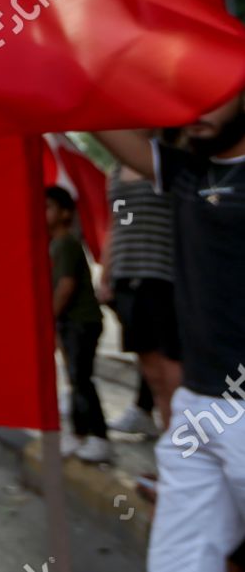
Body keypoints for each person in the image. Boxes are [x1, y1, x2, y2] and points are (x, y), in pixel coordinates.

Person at [96, 94, 245, 572]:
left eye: (216, 92)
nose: (199, 105)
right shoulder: (186, 172)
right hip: (196, 405)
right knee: (178, 562)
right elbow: (93, 109)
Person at [95, 158, 181, 434]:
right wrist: (107, 274)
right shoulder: (118, 172)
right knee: (154, 374)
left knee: (173, 376)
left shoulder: (173, 163)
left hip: (164, 277)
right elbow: (118, 222)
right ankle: (168, 446)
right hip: (127, 279)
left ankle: (185, 454)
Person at [46, 186, 113, 464]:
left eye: (47, 207)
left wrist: (48, 318)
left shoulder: (66, 243)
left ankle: (98, 436)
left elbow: (66, 286)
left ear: (65, 213)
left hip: (81, 322)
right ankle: (78, 432)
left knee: (81, 379)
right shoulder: (55, 243)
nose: (42, 213)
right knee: (75, 379)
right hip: (73, 323)